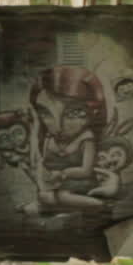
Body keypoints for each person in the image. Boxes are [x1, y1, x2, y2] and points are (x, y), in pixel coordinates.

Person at [24, 66, 110, 213]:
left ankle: (98, 204)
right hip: (56, 185)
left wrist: (63, 174)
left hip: (80, 184)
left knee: (61, 196)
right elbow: (41, 161)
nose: (58, 126)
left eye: (73, 113)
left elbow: (86, 170)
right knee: (44, 196)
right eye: (46, 113)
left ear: (94, 111)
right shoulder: (48, 138)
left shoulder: (87, 138)